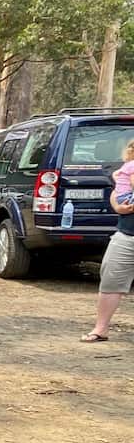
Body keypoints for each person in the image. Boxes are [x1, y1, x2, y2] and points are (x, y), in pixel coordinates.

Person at [81, 138, 134, 342]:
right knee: (111, 280)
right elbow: (117, 193)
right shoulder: (127, 169)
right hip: (126, 233)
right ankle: (100, 329)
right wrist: (118, 206)